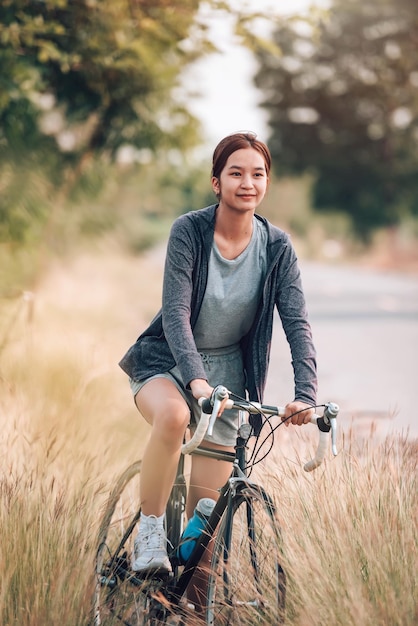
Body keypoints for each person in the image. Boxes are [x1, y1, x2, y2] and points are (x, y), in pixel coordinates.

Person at [119, 131, 317, 606]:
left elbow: (297, 322)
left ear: (266, 182)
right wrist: (196, 381)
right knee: (174, 417)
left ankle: (178, 607)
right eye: (236, 173)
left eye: (258, 174)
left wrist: (306, 393)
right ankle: (147, 535)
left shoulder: (278, 248)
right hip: (169, 364)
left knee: (201, 538)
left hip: (227, 383)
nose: (247, 183)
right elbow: (175, 314)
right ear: (216, 182)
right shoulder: (188, 231)